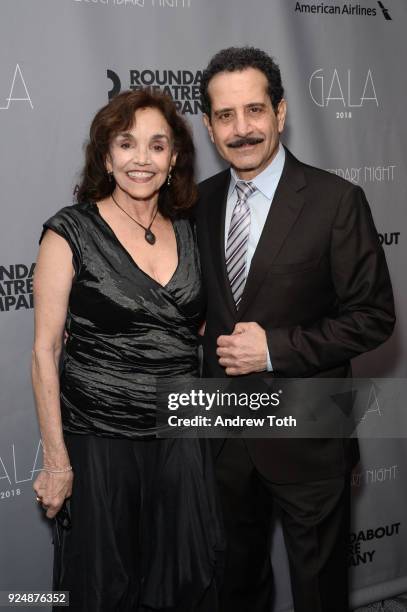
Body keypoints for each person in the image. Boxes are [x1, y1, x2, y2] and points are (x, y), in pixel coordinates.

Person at [195, 47, 396, 612]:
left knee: (318, 591)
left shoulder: (336, 202)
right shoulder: (198, 204)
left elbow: (375, 317)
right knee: (236, 585)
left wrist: (273, 349)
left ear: (280, 113)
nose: (242, 129)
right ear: (209, 127)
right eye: (226, 116)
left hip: (308, 435)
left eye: (255, 110)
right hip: (222, 439)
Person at [31, 89, 224, 612]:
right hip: (101, 443)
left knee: (186, 581)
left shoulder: (190, 227)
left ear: (174, 157)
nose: (142, 159)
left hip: (182, 440)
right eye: (127, 143)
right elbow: (45, 352)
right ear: (106, 155)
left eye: (157, 146)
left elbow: (201, 327)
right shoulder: (69, 231)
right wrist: (56, 461)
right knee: (104, 588)